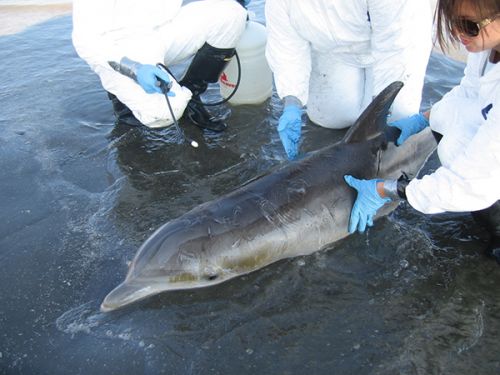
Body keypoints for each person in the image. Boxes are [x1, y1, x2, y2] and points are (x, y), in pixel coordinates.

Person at [344, 0, 500, 263]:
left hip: (484, 179)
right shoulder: (488, 47)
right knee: (451, 128)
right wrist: (424, 119)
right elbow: (470, 92)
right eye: (453, 22)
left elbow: (471, 182)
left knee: (462, 161)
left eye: (468, 26)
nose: (458, 34)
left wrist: (386, 190)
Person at [264, 0, 433, 159]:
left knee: (394, 130)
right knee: (330, 119)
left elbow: (394, 48)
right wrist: (292, 102)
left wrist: (379, 111)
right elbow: (287, 49)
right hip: (335, 49)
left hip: (399, 41)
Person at [72, 0, 248, 131]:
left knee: (232, 14)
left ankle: (192, 97)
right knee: (164, 114)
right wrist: (133, 68)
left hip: (162, 28)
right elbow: (85, 42)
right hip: (118, 46)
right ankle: (123, 103)